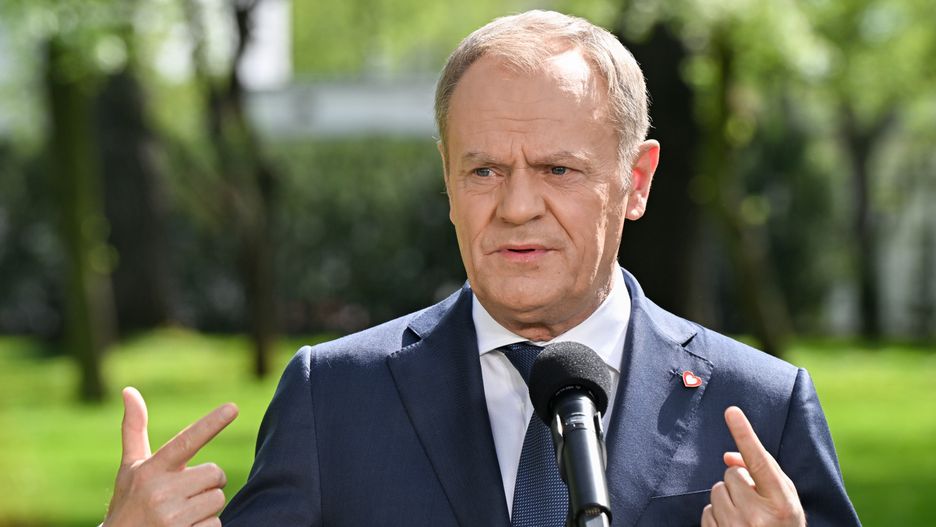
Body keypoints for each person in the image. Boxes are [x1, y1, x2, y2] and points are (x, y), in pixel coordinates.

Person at [102, 10, 860, 527]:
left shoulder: (762, 407)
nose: (517, 206)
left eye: (558, 169)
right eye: (485, 170)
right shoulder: (331, 398)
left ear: (636, 181)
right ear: (447, 178)